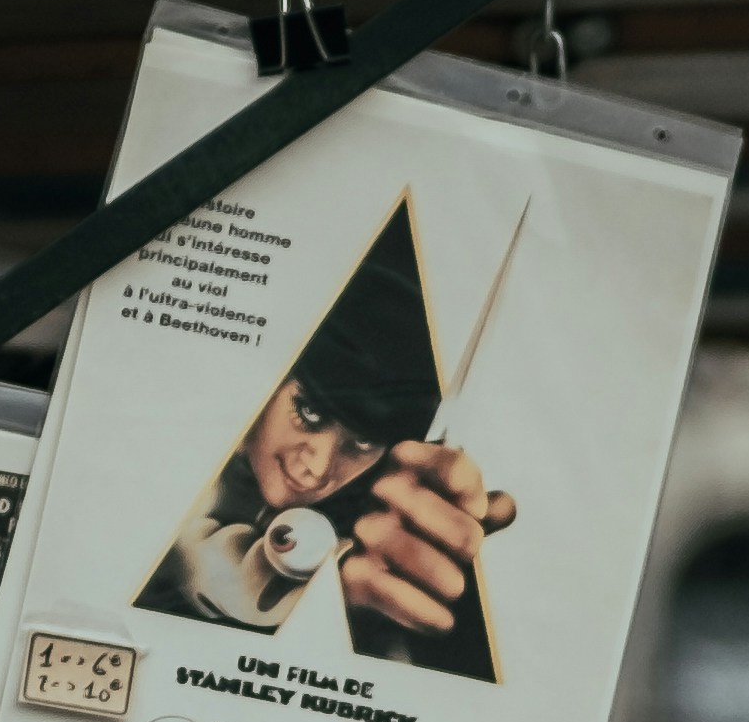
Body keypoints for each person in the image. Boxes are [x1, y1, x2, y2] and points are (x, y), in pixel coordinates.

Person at [139, 199, 516, 671]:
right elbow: (210, 566)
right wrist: (334, 585)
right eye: (309, 412)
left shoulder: (383, 501)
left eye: (361, 442)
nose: (316, 468)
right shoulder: (180, 445)